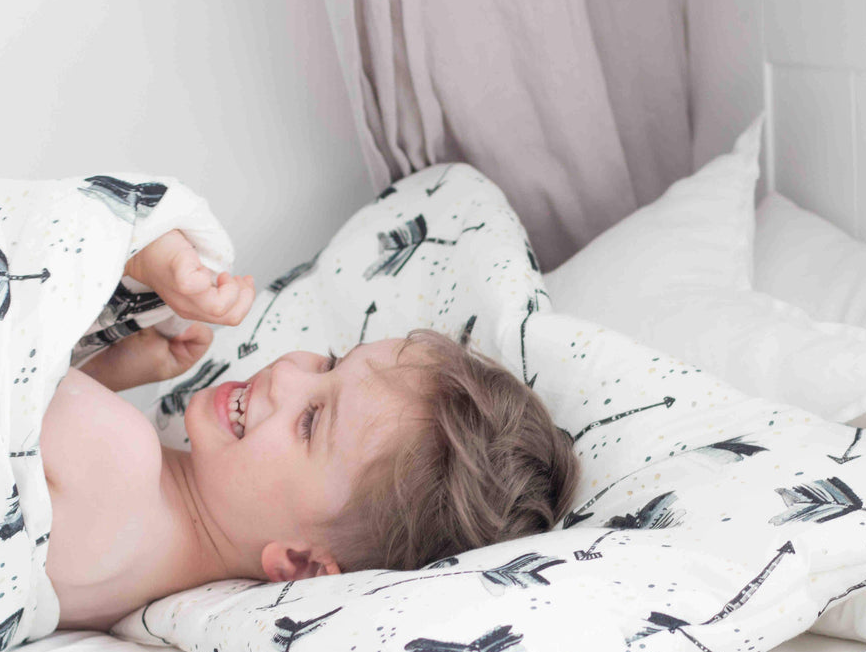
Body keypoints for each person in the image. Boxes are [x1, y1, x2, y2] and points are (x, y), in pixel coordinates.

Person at [40, 229, 579, 631]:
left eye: (311, 421)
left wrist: (135, 253)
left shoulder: (119, 457)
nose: (286, 375)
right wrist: (103, 372)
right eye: (330, 363)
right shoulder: (126, 569)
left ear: (300, 564)